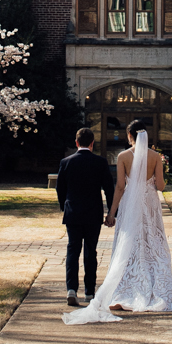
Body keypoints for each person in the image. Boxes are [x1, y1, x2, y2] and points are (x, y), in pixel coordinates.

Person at [63, 118, 172, 324]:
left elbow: (120, 187)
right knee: (152, 245)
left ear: (129, 136)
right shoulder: (156, 157)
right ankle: (153, 290)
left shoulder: (123, 156)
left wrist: (112, 213)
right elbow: (161, 186)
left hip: (130, 205)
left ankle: (124, 290)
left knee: (128, 245)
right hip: (149, 206)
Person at [56, 127, 112, 307]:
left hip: (73, 213)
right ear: (92, 143)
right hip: (93, 213)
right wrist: (111, 212)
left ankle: (71, 289)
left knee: (72, 250)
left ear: (76, 142)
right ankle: (89, 292)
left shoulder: (66, 162)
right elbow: (109, 189)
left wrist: (64, 206)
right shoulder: (100, 162)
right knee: (91, 252)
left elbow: (60, 189)